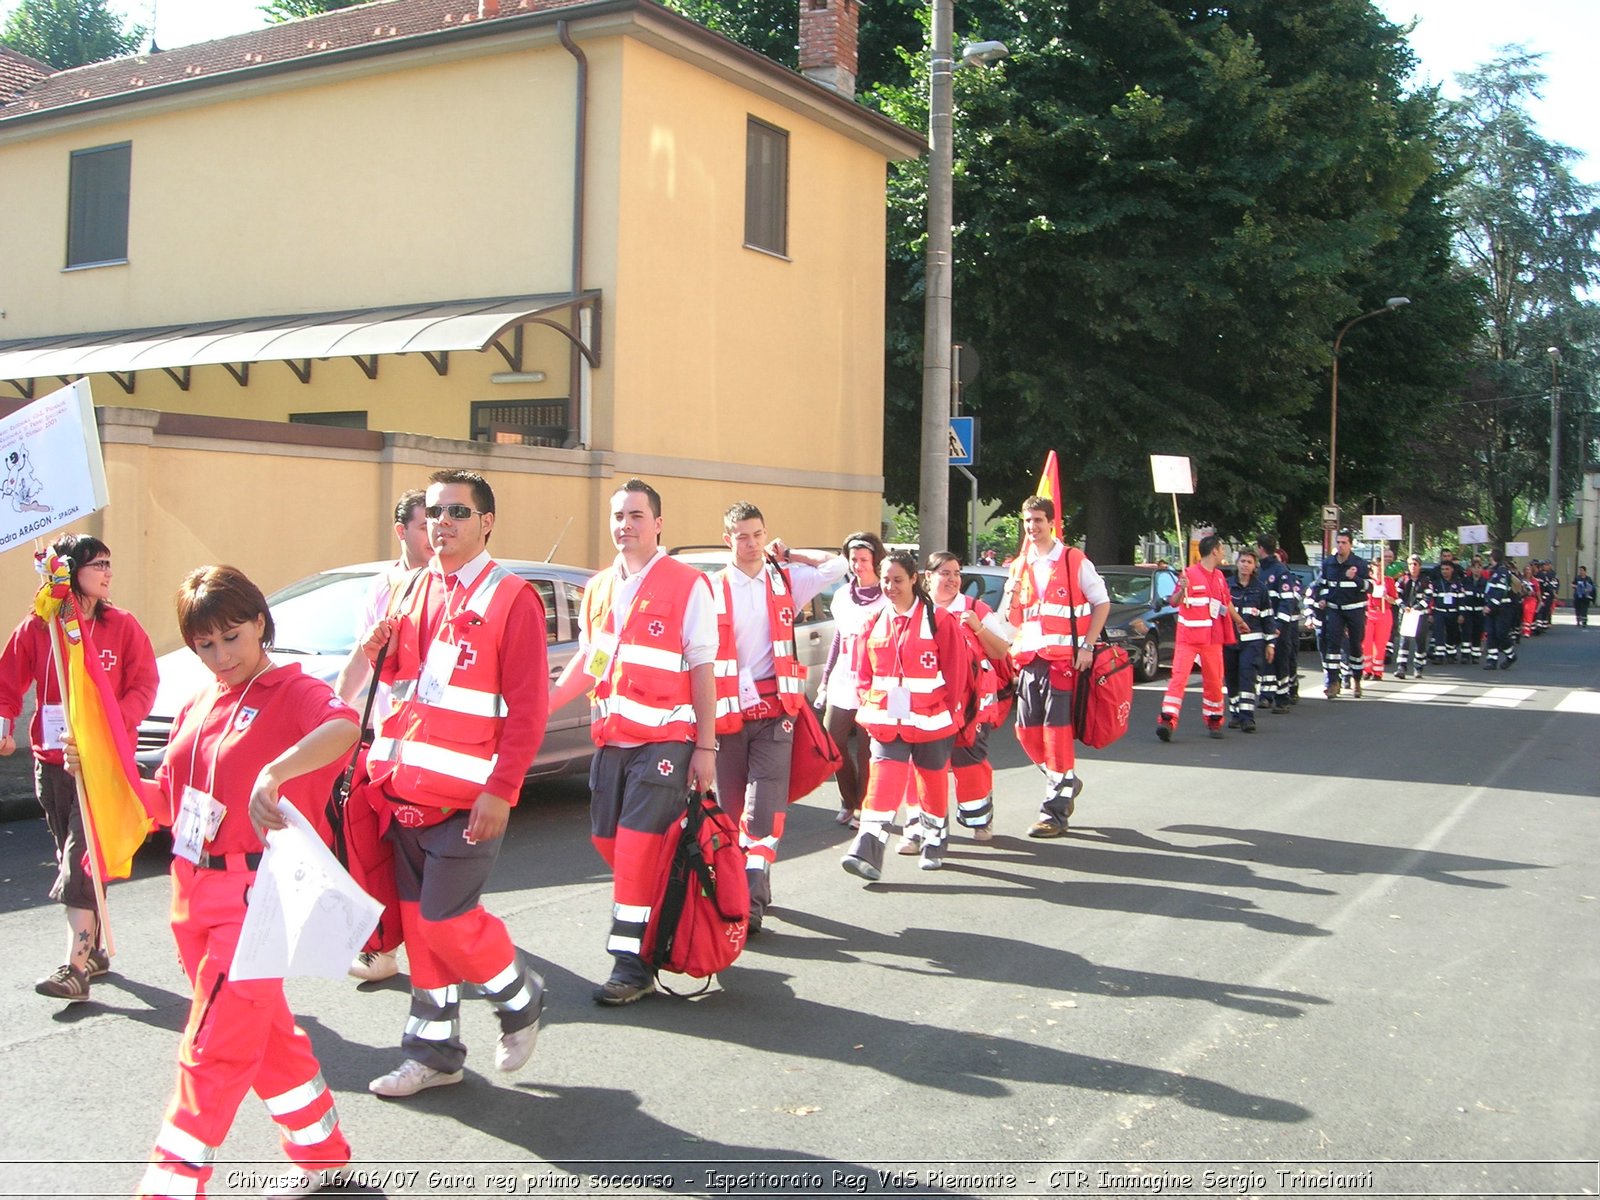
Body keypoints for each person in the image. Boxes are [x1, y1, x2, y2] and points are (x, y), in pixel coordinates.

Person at [95, 565, 359, 1200]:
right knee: (260, 1034)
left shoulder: (290, 688)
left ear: (260, 623)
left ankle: (169, 1188)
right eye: (204, 644)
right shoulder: (200, 698)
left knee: (211, 1047)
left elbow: (345, 726)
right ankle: (322, 1153)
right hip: (193, 894)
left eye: (231, 636)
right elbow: (170, 803)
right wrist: (104, 768)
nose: (221, 655)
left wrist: (275, 771)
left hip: (254, 898)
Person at [362, 469, 550, 1097]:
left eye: (457, 514)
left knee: (445, 923)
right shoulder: (412, 588)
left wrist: (503, 790)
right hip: (402, 792)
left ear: (487, 522)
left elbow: (528, 711)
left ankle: (521, 996)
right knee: (422, 935)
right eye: (434, 513)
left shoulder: (512, 597)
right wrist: (377, 651)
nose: (442, 524)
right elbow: (405, 685)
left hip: (468, 803)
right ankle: (434, 1055)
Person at [550, 478, 717, 1006]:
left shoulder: (689, 584)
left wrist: (706, 748)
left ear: (658, 523)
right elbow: (594, 660)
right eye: (618, 515)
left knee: (640, 846)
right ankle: (666, 909)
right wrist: (544, 706)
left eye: (636, 516)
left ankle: (631, 964)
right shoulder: (599, 587)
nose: (625, 525)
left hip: (667, 740)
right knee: (610, 844)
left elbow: (702, 669)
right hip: (613, 740)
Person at [0, 533, 157, 1003]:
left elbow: (144, 683)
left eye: (110, 563)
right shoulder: (40, 626)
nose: (108, 572)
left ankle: (74, 969)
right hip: (53, 763)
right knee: (71, 855)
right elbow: (7, 682)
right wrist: (4, 726)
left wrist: (113, 724)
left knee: (79, 862)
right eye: (98, 564)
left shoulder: (123, 626)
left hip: (101, 764)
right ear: (69, 571)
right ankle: (96, 949)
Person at [709, 501, 846, 933]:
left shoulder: (785, 578)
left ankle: (749, 898)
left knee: (762, 805)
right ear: (726, 538)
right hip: (727, 716)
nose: (750, 545)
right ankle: (743, 884)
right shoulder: (709, 589)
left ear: (767, 536)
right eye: (741, 536)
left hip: (776, 711)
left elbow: (839, 564)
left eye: (757, 535)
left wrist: (796, 555)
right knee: (731, 812)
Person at [332, 487, 431, 985]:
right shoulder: (386, 589)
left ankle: (430, 937)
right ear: (402, 532)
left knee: (423, 850)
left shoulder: (451, 587)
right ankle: (384, 944)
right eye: (423, 524)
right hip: (385, 742)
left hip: (432, 746)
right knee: (379, 848)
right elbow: (362, 661)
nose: (435, 532)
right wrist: (335, 712)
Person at [840, 551, 970, 878]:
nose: (890, 586)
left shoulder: (940, 620)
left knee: (931, 782)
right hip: (887, 722)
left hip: (932, 721)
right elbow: (862, 672)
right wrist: (870, 701)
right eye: (885, 580)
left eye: (898, 580)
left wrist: (944, 708)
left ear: (914, 579)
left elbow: (956, 674)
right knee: (883, 780)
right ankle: (867, 848)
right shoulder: (872, 622)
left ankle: (934, 840)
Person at [1001, 496, 1110, 837]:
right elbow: (1013, 619)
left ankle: (1055, 811)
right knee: (1025, 731)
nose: (1032, 527)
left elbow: (1102, 602)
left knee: (1056, 733)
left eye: (1038, 520)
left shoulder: (1072, 559)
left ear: (1051, 523)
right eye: (1027, 521)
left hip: (1063, 660)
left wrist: (1088, 646)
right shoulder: (1019, 565)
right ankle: (1065, 780)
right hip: (1030, 660)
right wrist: (1010, 596)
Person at [927, 551, 1014, 843]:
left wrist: (977, 626)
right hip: (929, 703)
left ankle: (980, 819)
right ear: (928, 577)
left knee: (969, 761)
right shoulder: (917, 609)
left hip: (973, 705)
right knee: (927, 765)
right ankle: (926, 827)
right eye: (945, 573)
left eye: (956, 573)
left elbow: (1001, 651)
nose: (952, 580)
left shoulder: (976, 608)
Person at [817, 531, 886, 828]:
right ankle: (849, 799)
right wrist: (825, 678)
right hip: (844, 678)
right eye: (854, 559)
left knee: (868, 748)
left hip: (876, 680)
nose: (858, 565)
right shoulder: (843, 596)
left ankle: (863, 805)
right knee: (832, 741)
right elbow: (838, 638)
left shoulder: (887, 596)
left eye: (864, 559)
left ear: (876, 561)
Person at [1158, 534, 1241, 740]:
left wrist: (1239, 621)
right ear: (1214, 551)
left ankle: (1214, 720)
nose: (1223, 552)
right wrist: (1182, 589)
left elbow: (1226, 602)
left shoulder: (1220, 577)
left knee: (1214, 681)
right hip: (1189, 638)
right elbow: (1174, 602)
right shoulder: (1189, 574)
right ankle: (1168, 720)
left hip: (1212, 638)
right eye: (1222, 548)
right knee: (1178, 678)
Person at [1223, 549, 1273, 732]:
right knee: (1232, 678)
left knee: (1247, 677)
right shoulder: (1227, 586)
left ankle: (1247, 717)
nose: (1245, 565)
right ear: (1237, 563)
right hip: (1229, 641)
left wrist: (1270, 643)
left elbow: (1268, 618)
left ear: (1254, 566)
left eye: (1249, 562)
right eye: (1242, 561)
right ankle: (1235, 713)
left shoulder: (1260, 588)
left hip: (1252, 642)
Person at [1317, 529, 1370, 699]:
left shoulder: (1360, 563)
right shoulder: (1328, 563)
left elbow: (1370, 587)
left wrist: (1355, 578)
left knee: (1355, 646)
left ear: (1351, 544)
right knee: (1332, 645)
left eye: (1344, 542)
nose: (1340, 545)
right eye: (1338, 542)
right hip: (1335, 609)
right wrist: (1323, 598)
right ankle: (1333, 683)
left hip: (1355, 609)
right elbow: (1323, 584)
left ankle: (1356, 681)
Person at [1253, 536, 1295, 714]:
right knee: (1264, 660)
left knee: (1280, 659)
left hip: (1278, 625)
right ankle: (1266, 695)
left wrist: (1279, 624)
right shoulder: (1258, 571)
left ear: (1261, 548)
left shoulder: (1280, 571)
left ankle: (1282, 697)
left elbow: (1287, 601)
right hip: (1262, 624)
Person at [1394, 555, 1434, 679]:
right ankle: (1401, 666)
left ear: (1419, 566)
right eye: (1410, 564)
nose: (1412, 567)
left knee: (1420, 642)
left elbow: (1428, 597)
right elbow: (1396, 595)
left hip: (1420, 615)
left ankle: (1418, 667)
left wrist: (1417, 608)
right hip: (1406, 615)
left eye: (1415, 564)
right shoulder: (1402, 580)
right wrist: (1403, 606)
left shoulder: (1426, 581)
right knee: (1404, 641)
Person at [1361, 561, 1398, 680]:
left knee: (1380, 644)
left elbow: (1394, 600)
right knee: (1366, 643)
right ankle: (1367, 670)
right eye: (1377, 565)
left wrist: (1386, 597)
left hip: (1384, 612)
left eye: (1381, 566)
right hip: (1369, 613)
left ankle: (1377, 671)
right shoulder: (1367, 581)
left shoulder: (1389, 581)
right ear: (1372, 567)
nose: (1379, 568)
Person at [1483, 551, 1519, 670]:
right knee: (1491, 634)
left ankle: (1511, 655)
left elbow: (1501, 591)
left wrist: (1490, 606)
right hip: (1493, 608)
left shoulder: (1502, 572)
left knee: (1501, 634)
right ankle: (1492, 660)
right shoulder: (1494, 572)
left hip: (1502, 609)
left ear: (1492, 558)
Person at [1431, 560, 1465, 664]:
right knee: (1438, 633)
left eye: (1447, 569)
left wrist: (1461, 614)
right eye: (1442, 569)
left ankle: (1451, 653)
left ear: (1452, 570)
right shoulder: (1436, 583)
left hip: (1453, 612)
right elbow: (1432, 600)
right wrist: (1431, 614)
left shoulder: (1458, 584)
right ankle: (1439, 655)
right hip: (1439, 612)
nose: (1444, 571)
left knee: (1452, 633)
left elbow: (1462, 600)